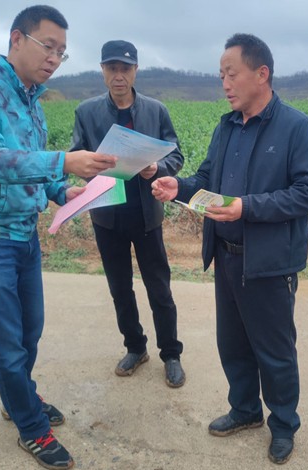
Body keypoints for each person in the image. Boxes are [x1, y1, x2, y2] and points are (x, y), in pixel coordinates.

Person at [0, 5, 116, 470]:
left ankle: (17, 395)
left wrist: (63, 191)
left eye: (62, 52)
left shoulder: (32, 102)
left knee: (29, 330)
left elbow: (33, 168)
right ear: (17, 39)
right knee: (6, 342)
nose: (55, 58)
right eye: (48, 47)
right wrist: (64, 161)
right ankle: (31, 426)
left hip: (22, 231)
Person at [152, 33, 308, 464]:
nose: (225, 84)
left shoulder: (296, 127)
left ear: (261, 74)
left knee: (275, 351)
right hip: (227, 256)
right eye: (221, 76)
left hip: (268, 263)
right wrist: (178, 188)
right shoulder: (226, 126)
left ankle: (283, 424)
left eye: (232, 74)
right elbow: (206, 180)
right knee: (233, 343)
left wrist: (246, 207)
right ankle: (245, 410)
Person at [70, 40, 186, 388]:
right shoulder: (86, 112)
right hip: (107, 216)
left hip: (147, 216)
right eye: (112, 68)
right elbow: (76, 156)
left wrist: (157, 167)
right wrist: (94, 167)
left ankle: (171, 353)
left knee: (159, 288)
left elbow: (175, 155)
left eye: (125, 68)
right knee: (120, 288)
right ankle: (135, 347)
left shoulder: (156, 110)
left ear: (135, 71)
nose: (118, 75)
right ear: (102, 71)